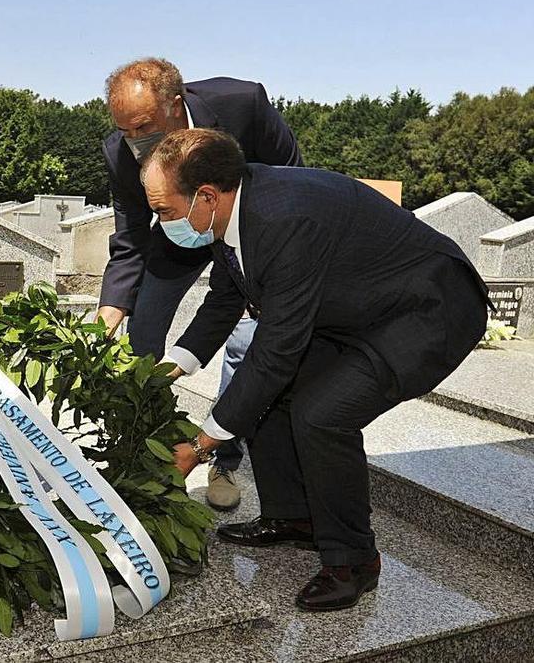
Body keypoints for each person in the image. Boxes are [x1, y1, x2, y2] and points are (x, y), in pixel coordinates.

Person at [144, 129, 488, 611]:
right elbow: (225, 297)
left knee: (322, 414)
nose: (161, 224)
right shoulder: (229, 213)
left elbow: (276, 351)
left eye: (163, 210)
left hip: (426, 309)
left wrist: (202, 447)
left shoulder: (285, 217)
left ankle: (354, 561)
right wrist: (170, 368)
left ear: (206, 196)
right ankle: (296, 518)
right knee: (273, 397)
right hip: (356, 307)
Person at [96, 58, 303, 511]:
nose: (134, 141)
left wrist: (270, 259)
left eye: (144, 126)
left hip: (247, 224)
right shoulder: (119, 151)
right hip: (179, 231)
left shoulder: (243, 104)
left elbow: (290, 173)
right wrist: (110, 307)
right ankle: (144, 448)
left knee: (248, 342)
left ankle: (222, 459)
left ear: (176, 104)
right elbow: (130, 237)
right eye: (124, 130)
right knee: (143, 329)